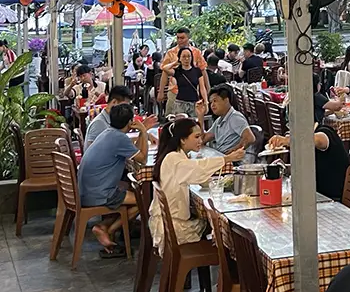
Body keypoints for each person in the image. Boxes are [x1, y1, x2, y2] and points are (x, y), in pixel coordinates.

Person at [150, 118, 245, 251]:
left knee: (210, 225)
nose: (201, 140)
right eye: (196, 136)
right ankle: (228, 264)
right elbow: (199, 168)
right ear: (182, 140)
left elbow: (196, 172)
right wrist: (228, 158)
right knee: (222, 235)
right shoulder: (174, 159)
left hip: (169, 223)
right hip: (176, 229)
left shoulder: (175, 155)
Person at [76, 104, 149, 253]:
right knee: (144, 199)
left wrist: (141, 133)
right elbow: (142, 158)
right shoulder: (118, 138)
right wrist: (144, 132)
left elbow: (136, 153)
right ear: (130, 122)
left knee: (131, 191)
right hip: (99, 194)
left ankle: (106, 228)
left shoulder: (108, 133)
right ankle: (108, 229)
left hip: (86, 190)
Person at [267, 122, 349, 199]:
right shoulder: (303, 142)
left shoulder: (325, 132)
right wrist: (284, 167)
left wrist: (287, 140)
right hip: (315, 195)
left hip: (332, 198)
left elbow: (318, 140)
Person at [86, 85, 156, 148]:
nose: (126, 109)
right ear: (114, 102)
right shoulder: (99, 123)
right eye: (125, 106)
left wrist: (144, 133)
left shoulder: (111, 119)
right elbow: (95, 150)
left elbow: (116, 141)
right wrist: (143, 131)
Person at [197, 85, 255, 155]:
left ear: (226, 100)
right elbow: (202, 140)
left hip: (235, 162)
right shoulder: (219, 120)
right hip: (222, 157)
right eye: (211, 102)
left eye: (215, 101)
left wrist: (233, 152)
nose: (212, 105)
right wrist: (200, 116)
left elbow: (250, 138)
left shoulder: (235, 117)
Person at [165, 48, 207, 117]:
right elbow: (165, 68)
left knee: (194, 125)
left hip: (194, 103)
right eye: (184, 56)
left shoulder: (197, 71)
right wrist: (175, 63)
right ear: (180, 58)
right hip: (180, 103)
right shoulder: (177, 71)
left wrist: (205, 102)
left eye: (189, 56)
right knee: (181, 125)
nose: (187, 59)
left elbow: (202, 88)